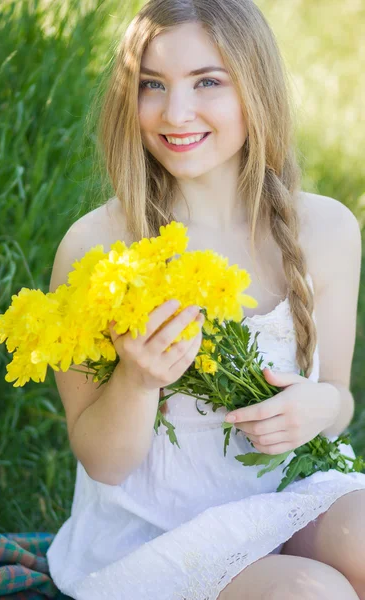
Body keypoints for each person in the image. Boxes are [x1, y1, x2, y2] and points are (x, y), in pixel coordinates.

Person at [46, 1, 365, 598]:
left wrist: (320, 408)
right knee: (313, 593)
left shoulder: (327, 229)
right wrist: (138, 383)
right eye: (152, 86)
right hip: (161, 532)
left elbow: (341, 399)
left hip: (289, 497)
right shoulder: (97, 249)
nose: (175, 112)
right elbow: (103, 462)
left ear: (256, 90)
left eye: (208, 82)